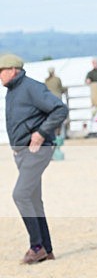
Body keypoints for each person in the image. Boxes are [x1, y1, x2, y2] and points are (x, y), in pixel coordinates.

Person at [0, 53, 68, 263]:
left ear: (13, 70)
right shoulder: (12, 91)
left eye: (1, 71)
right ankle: (46, 249)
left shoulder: (31, 87)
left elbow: (60, 109)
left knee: (20, 195)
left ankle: (36, 246)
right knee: (32, 200)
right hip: (23, 153)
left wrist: (39, 134)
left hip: (37, 150)